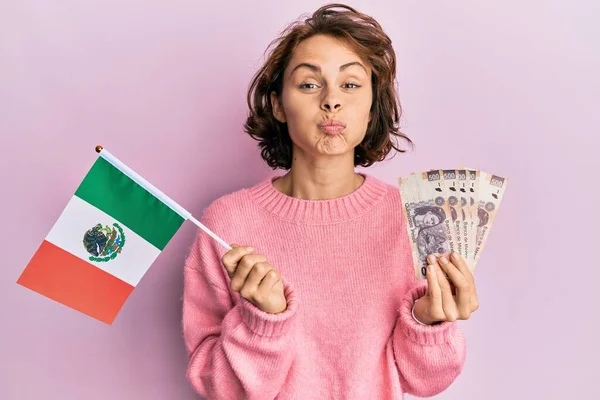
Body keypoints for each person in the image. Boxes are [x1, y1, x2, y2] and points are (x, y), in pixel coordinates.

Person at [182, 3, 479, 399]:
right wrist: (262, 322)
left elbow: (426, 382)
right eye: (309, 84)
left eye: (351, 84)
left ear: (373, 104)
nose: (331, 101)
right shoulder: (227, 222)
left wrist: (426, 323)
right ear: (277, 104)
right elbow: (214, 386)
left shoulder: (413, 217)